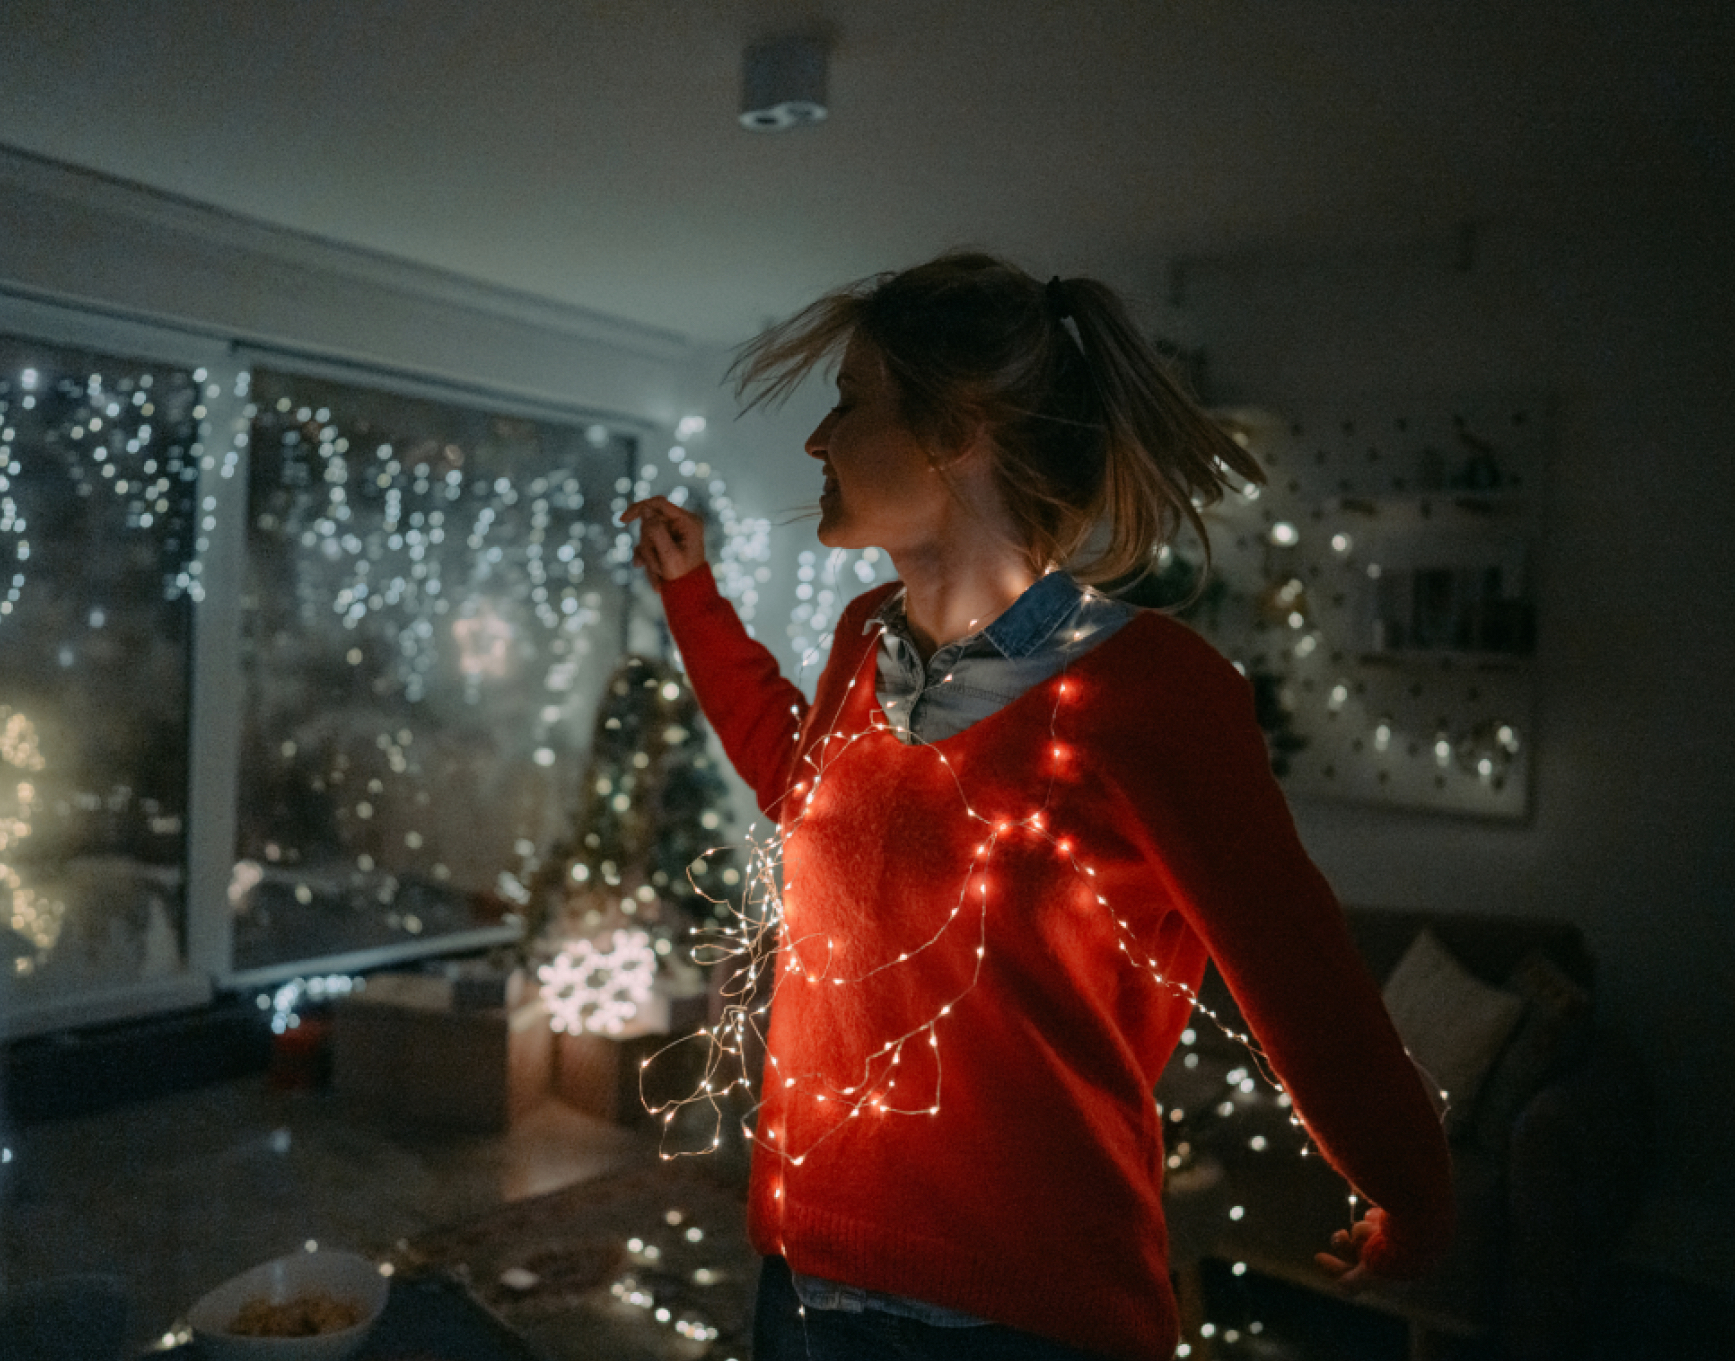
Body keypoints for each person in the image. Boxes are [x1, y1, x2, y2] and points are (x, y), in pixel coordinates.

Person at [622, 253, 1453, 1361]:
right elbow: (797, 783)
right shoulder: (865, 635)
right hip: (803, 1271)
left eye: (850, 399)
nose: (819, 441)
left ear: (956, 426)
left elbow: (1297, 970)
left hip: (1017, 1315)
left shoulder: (1149, 691)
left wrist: (1408, 1187)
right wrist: (692, 598)